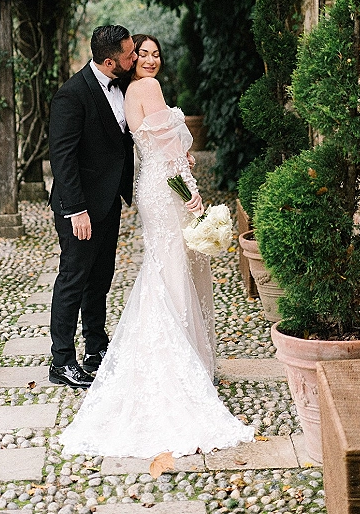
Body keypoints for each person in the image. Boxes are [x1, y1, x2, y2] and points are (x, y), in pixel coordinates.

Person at [59, 33, 254, 456]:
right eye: (138, 53)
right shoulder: (147, 88)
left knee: (163, 266)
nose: (147, 59)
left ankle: (152, 352)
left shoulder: (129, 90)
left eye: (152, 53)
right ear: (123, 61)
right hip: (165, 189)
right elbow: (167, 148)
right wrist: (191, 189)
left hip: (151, 187)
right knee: (169, 266)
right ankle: (178, 358)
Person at [48, 25, 137, 389]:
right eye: (130, 55)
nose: (135, 59)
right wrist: (76, 210)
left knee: (100, 279)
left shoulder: (125, 86)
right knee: (73, 280)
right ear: (108, 61)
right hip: (80, 208)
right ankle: (62, 361)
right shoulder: (71, 95)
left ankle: (96, 348)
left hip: (108, 201)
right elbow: (62, 158)